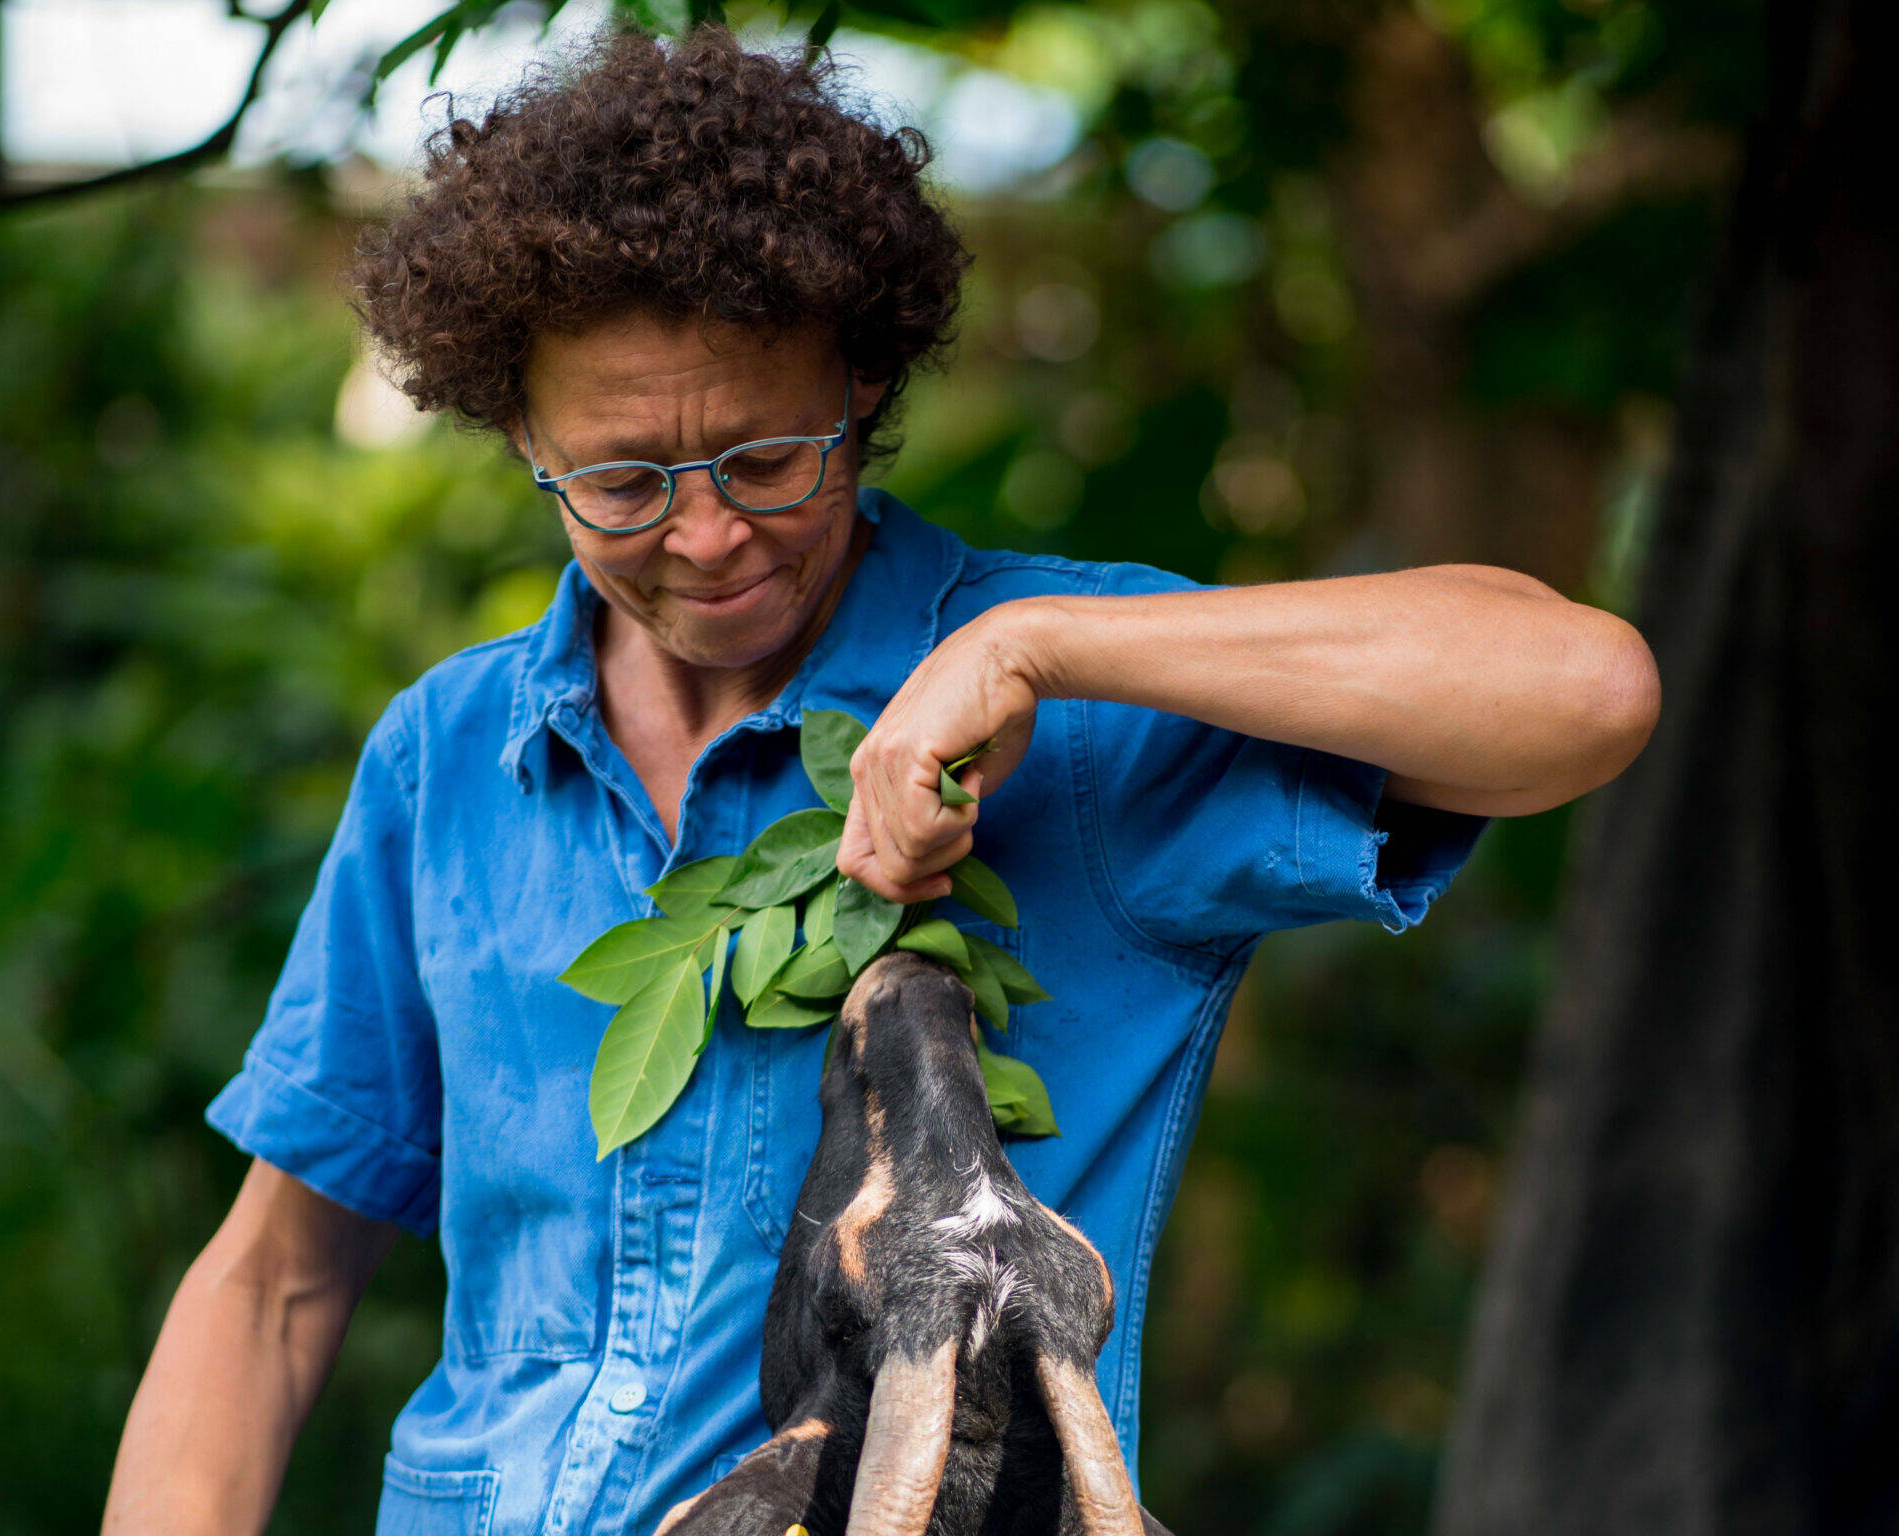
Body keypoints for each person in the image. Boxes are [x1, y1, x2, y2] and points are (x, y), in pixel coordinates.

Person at [101, 25, 1659, 1536]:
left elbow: (1582, 690)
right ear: (516, 423)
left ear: (860, 384)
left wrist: (1041, 646)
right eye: (624, 481)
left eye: (767, 461)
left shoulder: (1087, 708)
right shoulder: (447, 758)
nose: (705, 536)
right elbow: (276, 1284)